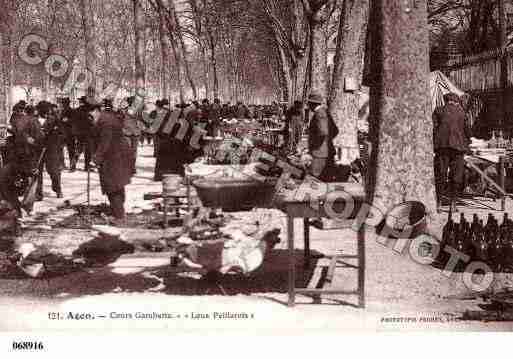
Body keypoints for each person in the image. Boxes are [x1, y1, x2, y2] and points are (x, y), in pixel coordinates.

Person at [90, 102, 133, 222]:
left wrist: (96, 159)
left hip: (115, 158)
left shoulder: (105, 122)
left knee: (112, 186)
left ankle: (118, 216)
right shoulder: (106, 119)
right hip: (117, 157)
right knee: (117, 185)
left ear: (96, 111)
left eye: (90, 113)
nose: (90, 117)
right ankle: (118, 212)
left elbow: (105, 142)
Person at [433, 92, 472, 212]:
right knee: (456, 176)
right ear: (456, 101)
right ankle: (453, 204)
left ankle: (438, 203)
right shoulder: (462, 113)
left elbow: (433, 128)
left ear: (446, 101)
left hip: (442, 147)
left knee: (441, 174)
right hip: (458, 148)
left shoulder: (438, 111)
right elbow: (468, 132)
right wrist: (468, 141)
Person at [305, 93, 339, 181]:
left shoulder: (319, 114)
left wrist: (314, 145)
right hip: (327, 152)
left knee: (314, 180)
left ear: (313, 104)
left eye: (309, 104)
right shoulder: (325, 112)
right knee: (326, 180)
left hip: (320, 154)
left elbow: (323, 132)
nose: (308, 106)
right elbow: (335, 130)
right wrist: (327, 142)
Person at [35, 101, 65, 200]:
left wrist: (55, 141)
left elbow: (62, 134)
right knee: (37, 172)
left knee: (53, 170)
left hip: (51, 149)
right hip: (38, 148)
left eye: (46, 110)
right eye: (42, 110)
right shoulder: (34, 120)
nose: (45, 112)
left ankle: (58, 189)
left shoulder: (54, 120)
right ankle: (38, 193)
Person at [118, 97, 141, 175]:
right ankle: (131, 167)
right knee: (132, 151)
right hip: (132, 133)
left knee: (130, 151)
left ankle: (130, 167)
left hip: (129, 133)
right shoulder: (126, 111)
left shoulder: (124, 110)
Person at [71, 96, 94, 172]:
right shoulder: (88, 111)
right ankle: (87, 166)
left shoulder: (76, 111)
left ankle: (73, 163)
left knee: (79, 149)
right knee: (88, 151)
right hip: (87, 133)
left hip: (79, 133)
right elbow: (91, 122)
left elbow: (73, 122)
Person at [58, 97, 76, 169]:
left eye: (64, 103)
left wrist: (67, 120)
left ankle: (69, 165)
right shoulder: (63, 110)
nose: (63, 104)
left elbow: (73, 120)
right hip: (66, 133)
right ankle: (66, 164)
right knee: (69, 149)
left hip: (68, 133)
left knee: (67, 149)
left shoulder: (70, 111)